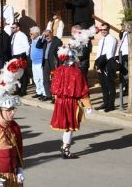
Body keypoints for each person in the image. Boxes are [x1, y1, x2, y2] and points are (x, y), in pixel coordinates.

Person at [51, 31, 94, 159]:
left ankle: (65, 146)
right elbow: (83, 90)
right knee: (69, 127)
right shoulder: (77, 73)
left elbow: (53, 88)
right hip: (71, 103)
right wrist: (88, 106)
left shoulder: (59, 71)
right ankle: (66, 149)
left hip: (60, 102)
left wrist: (57, 98)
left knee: (66, 127)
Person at [94, 23, 118, 112]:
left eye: (105, 29)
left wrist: (100, 64)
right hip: (100, 63)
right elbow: (98, 52)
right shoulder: (101, 40)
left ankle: (111, 105)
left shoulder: (111, 39)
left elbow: (109, 54)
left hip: (108, 64)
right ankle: (105, 102)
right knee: (103, 86)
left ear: (108, 29)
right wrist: (97, 64)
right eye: (101, 30)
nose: (103, 31)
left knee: (110, 85)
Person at [39, 29, 62, 102]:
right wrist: (42, 38)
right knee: (45, 80)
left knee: (54, 80)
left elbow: (59, 53)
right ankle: (48, 95)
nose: (46, 37)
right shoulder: (45, 41)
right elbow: (38, 46)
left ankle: (55, 97)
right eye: (45, 35)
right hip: (45, 62)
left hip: (53, 63)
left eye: (48, 35)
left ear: (51, 34)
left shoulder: (57, 41)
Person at [10, 22, 30, 96]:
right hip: (14, 56)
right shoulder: (13, 35)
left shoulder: (22, 35)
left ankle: (23, 90)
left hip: (21, 56)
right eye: (11, 28)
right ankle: (18, 89)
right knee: (16, 74)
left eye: (14, 27)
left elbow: (27, 46)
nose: (12, 29)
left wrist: (25, 56)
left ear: (18, 28)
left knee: (23, 74)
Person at [29, 26, 46, 99]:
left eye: (31, 34)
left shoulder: (40, 39)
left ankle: (44, 93)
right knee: (35, 78)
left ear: (36, 34)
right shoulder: (32, 40)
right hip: (34, 61)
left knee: (41, 78)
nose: (30, 35)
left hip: (39, 62)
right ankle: (38, 91)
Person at [118, 23, 130, 97]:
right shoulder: (123, 33)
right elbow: (122, 43)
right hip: (123, 55)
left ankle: (127, 89)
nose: (123, 27)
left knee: (126, 74)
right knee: (124, 74)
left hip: (127, 55)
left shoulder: (128, 33)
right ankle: (125, 89)